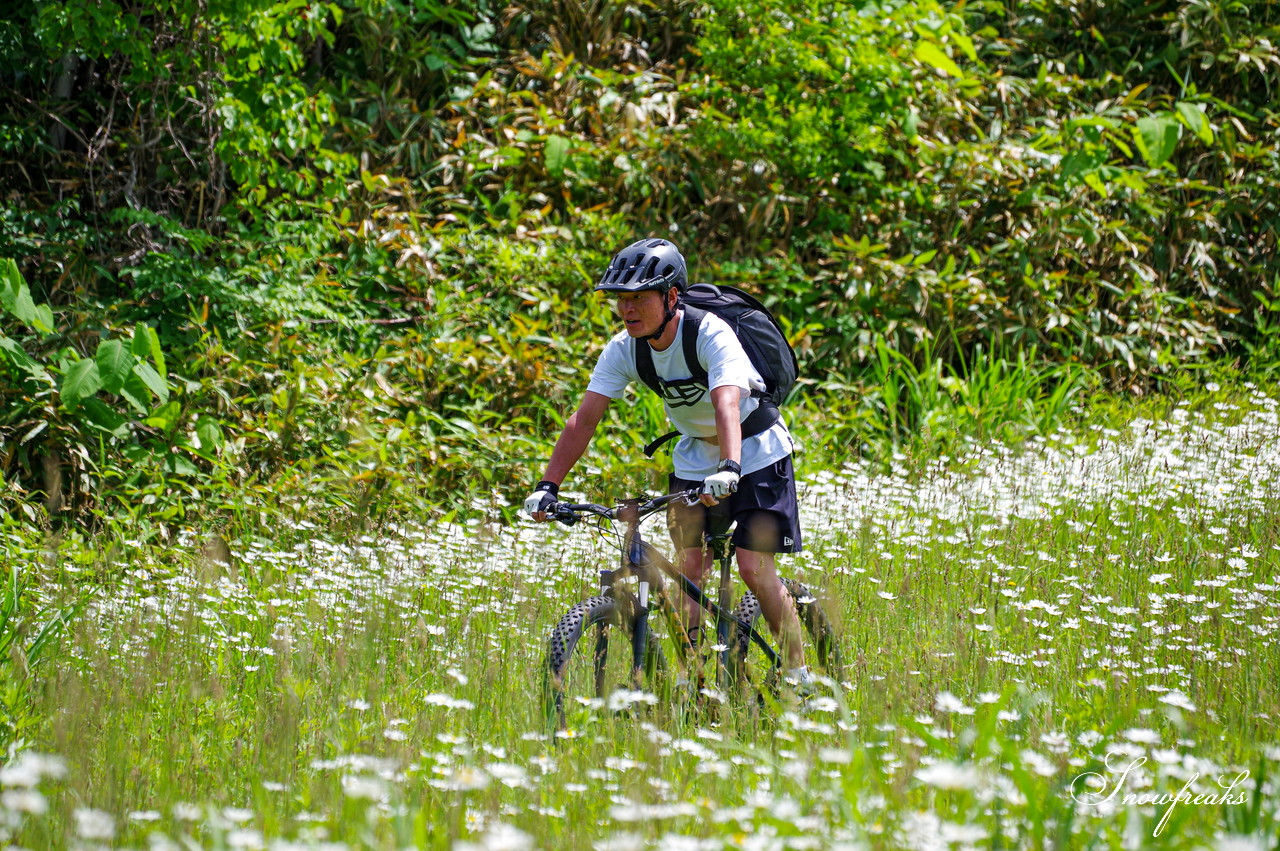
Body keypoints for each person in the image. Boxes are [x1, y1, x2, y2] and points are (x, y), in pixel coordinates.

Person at [523, 237, 812, 691]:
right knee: (688, 567)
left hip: (755, 452)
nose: (628, 308)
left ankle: (801, 677)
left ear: (672, 296)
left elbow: (727, 405)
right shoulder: (625, 349)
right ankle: (698, 678)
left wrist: (731, 466)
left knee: (753, 568)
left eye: (640, 297)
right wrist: (548, 485)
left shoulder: (712, 333)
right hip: (696, 455)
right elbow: (584, 419)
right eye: (622, 299)